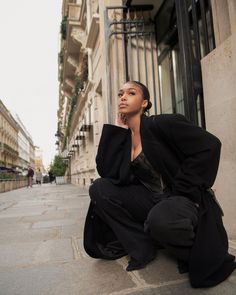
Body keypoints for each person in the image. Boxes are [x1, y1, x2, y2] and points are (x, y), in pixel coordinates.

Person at [83, 81, 235, 288]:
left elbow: (210, 145)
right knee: (99, 188)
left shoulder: (162, 123)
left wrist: (183, 186)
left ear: (144, 103)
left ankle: (182, 246)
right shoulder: (125, 137)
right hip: (151, 198)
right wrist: (116, 131)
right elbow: (107, 171)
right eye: (120, 94)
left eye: (131, 93)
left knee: (161, 220)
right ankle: (142, 245)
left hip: (180, 198)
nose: (123, 97)